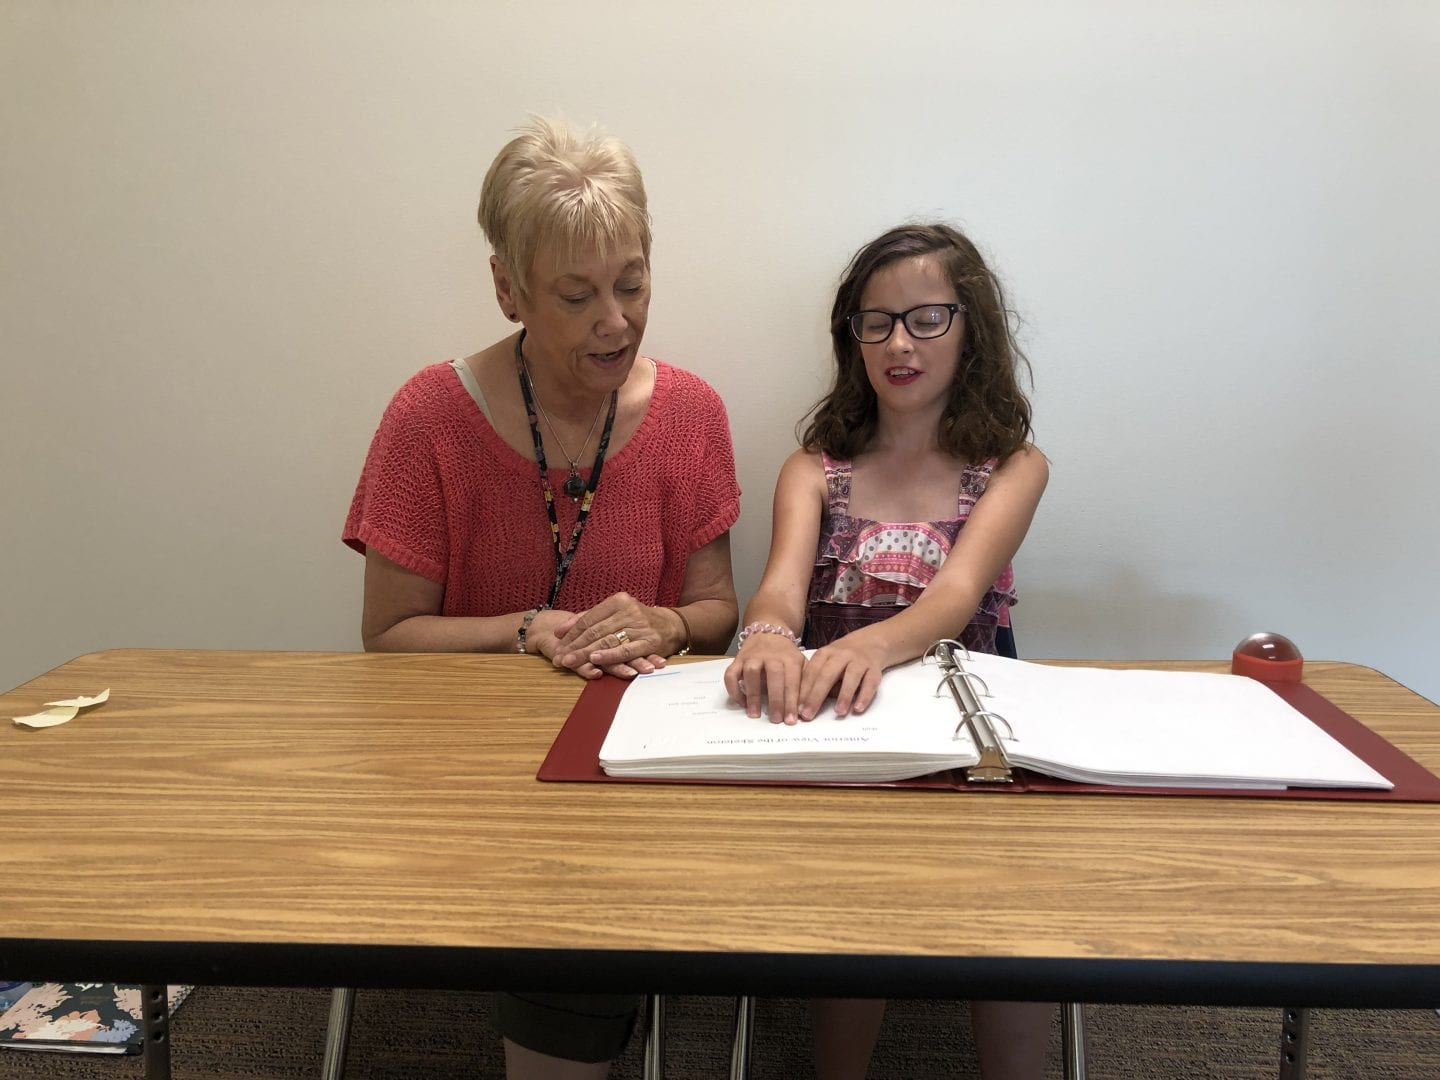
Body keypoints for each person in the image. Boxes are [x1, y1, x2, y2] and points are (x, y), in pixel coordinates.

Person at [343, 117, 740, 1078]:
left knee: (587, 879)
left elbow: (719, 605)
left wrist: (668, 623)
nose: (616, 321)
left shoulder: (691, 415)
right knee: (567, 898)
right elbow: (387, 639)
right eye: (577, 296)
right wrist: (525, 631)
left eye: (633, 284)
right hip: (459, 777)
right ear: (508, 288)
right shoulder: (427, 418)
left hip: (622, 774)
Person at [723, 223, 1050, 1080]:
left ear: (970, 326)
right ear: (852, 337)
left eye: (927, 319)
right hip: (842, 740)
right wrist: (764, 635)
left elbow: (952, 599)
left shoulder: (1013, 467)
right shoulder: (812, 469)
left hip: (972, 753)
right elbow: (780, 592)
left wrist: (865, 641)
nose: (899, 343)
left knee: (1010, 923)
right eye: (877, 322)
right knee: (850, 907)